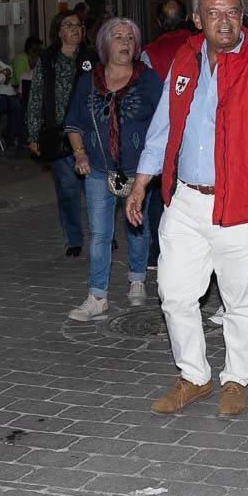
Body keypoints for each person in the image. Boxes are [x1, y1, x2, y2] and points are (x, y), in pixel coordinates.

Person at [126, 0, 248, 419]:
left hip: (244, 204)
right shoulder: (185, 62)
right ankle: (194, 375)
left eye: (233, 13)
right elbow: (163, 127)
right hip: (185, 200)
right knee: (175, 293)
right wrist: (142, 182)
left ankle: (235, 379)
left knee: (242, 300)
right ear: (198, 20)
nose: (225, 21)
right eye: (215, 13)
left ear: (243, 17)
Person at [64, 19, 163, 321]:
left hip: (137, 171)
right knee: (99, 233)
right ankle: (97, 295)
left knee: (137, 226)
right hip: (97, 169)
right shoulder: (89, 80)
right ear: (105, 44)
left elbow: (164, 123)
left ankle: (136, 278)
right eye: (118, 37)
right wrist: (80, 153)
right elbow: (74, 121)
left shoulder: (148, 79)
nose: (125, 43)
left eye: (130, 38)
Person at [28, 11, 97, 256]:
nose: (76, 30)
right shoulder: (47, 60)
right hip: (59, 134)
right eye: (69, 25)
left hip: (90, 133)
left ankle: (101, 235)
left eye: (79, 25)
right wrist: (33, 133)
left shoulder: (92, 57)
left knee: (96, 189)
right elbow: (36, 95)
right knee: (67, 189)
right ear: (58, 31)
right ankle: (74, 239)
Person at [141, 0, 196, 266]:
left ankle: (158, 251)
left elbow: (145, 97)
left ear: (159, 22)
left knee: (159, 192)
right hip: (193, 134)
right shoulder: (197, 48)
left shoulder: (149, 53)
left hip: (163, 132)